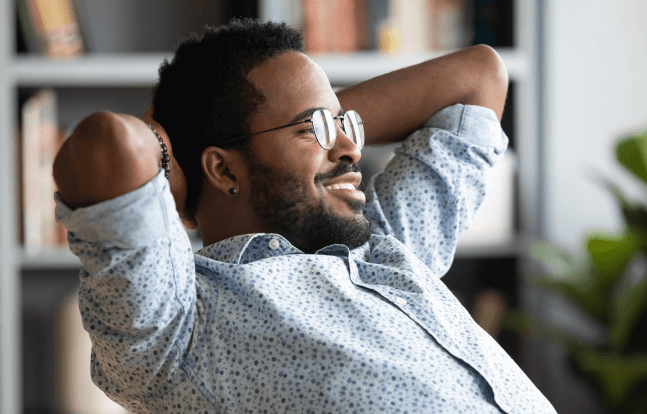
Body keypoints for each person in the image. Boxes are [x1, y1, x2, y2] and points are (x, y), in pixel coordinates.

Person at [53, 18, 556, 414]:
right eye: (312, 128)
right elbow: (106, 144)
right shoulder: (181, 327)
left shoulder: (382, 245)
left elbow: (478, 77)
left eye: (345, 125)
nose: (351, 150)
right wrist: (183, 149)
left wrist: (316, 123)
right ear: (222, 168)